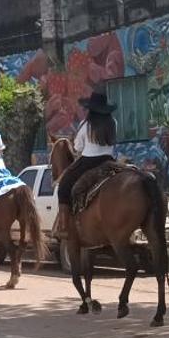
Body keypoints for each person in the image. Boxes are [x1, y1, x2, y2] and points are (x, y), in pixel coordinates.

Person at [56, 92, 117, 237]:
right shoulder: (113, 122)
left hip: (88, 161)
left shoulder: (86, 125)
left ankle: (64, 225)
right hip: (109, 160)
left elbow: (77, 148)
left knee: (64, 185)